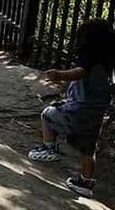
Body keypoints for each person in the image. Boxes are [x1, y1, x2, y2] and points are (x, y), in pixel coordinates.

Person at [28, 19, 115, 197]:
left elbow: (80, 72)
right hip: (95, 116)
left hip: (79, 110)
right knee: (87, 149)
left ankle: (48, 148)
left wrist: (58, 75)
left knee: (48, 114)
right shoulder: (107, 63)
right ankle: (85, 182)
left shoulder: (89, 61)